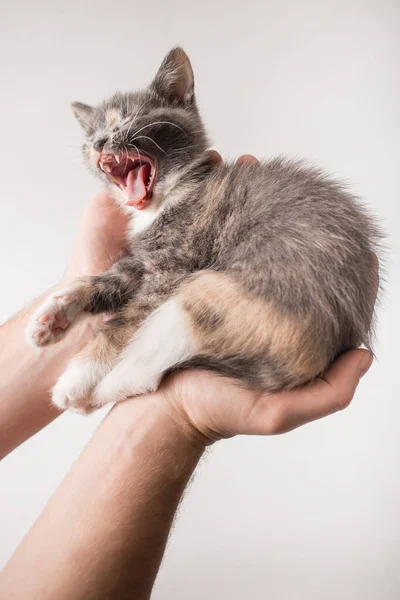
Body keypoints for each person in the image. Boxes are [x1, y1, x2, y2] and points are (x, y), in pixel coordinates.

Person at [0, 154, 374, 600]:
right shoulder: (177, 206)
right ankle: (122, 370)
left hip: (273, 297)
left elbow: (159, 280)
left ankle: (125, 375)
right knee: (173, 296)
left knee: (183, 304)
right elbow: (150, 274)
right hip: (277, 302)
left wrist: (107, 365)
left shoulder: (193, 201)